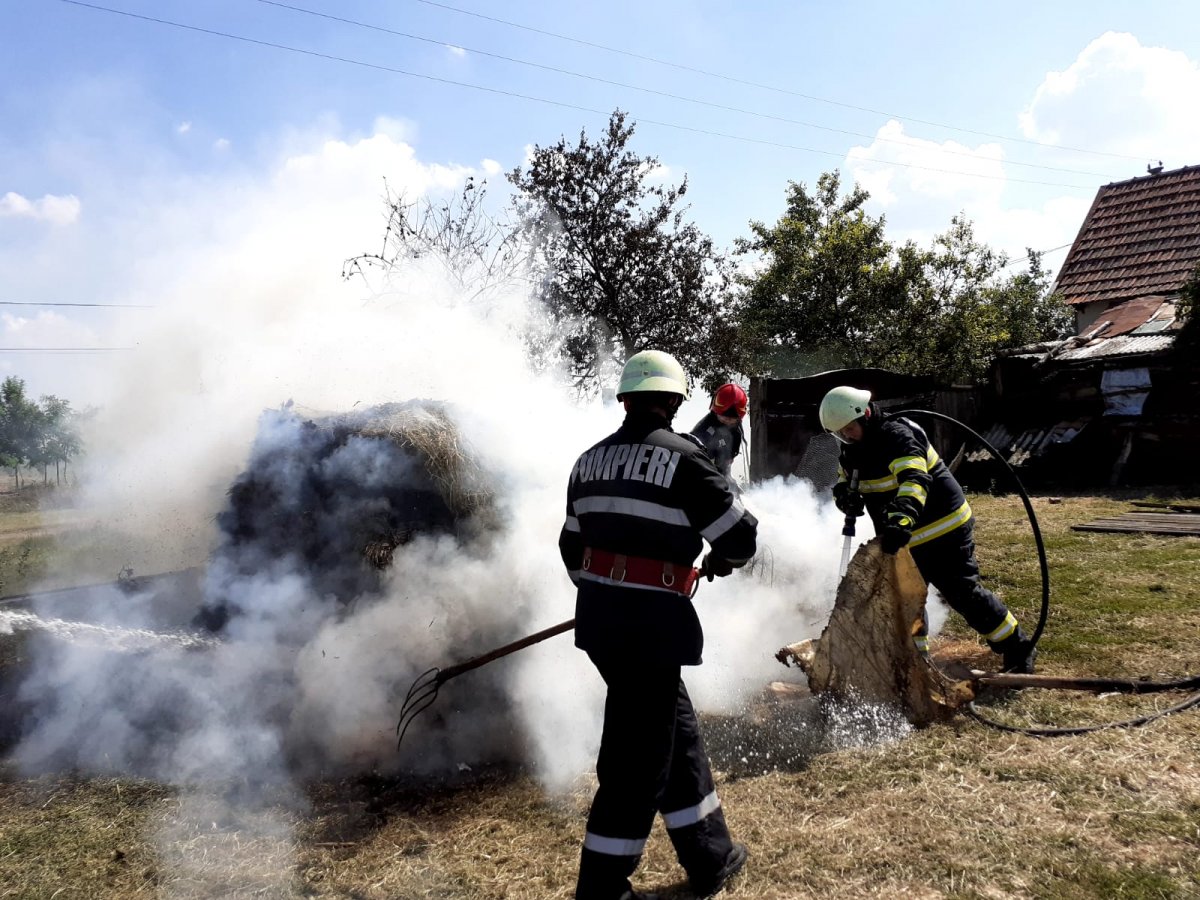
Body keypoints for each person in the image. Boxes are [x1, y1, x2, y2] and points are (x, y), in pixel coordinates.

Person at [559, 350, 758, 900]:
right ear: (674, 402)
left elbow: (570, 546)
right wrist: (718, 560)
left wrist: (606, 592)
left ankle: (710, 855)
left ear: (626, 399)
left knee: (677, 734)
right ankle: (601, 888)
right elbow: (741, 539)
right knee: (635, 762)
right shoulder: (687, 461)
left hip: (604, 626)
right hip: (650, 630)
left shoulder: (587, 462)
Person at [818, 385, 1037, 674]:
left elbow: (914, 480)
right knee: (907, 603)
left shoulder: (898, 436)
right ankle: (916, 666)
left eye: (849, 428)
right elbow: (844, 479)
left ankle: (1017, 648)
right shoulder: (852, 450)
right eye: (840, 432)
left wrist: (902, 519)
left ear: (866, 414)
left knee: (962, 593)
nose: (847, 435)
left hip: (944, 528)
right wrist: (844, 495)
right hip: (903, 538)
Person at [689, 383, 747, 479]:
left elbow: (729, 460)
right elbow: (692, 462)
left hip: (722, 472)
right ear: (715, 412)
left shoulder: (736, 430)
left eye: (732, 419)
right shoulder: (702, 431)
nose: (728, 421)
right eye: (724, 417)